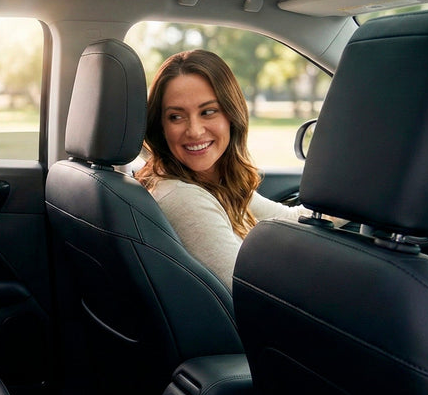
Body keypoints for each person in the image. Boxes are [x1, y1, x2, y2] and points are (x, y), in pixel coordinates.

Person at [136, 49, 318, 291]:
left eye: (208, 112)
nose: (195, 131)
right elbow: (249, 291)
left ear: (231, 115)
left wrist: (355, 197)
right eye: (176, 117)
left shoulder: (213, 180)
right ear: (161, 126)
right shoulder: (182, 197)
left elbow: (290, 220)